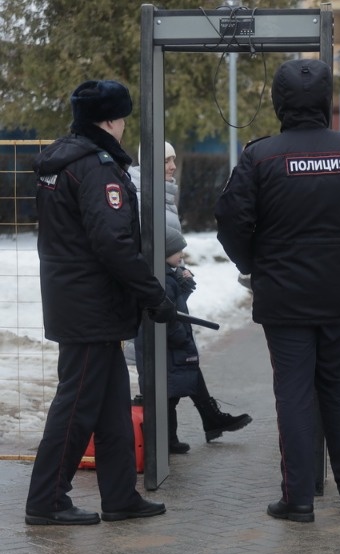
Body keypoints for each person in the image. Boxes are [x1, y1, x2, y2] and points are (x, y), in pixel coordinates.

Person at [216, 58, 340, 522]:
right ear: (326, 101)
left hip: (284, 298)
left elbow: (231, 223)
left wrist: (256, 267)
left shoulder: (260, 155)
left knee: (293, 394)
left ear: (278, 102)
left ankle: (297, 498)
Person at [25, 79, 171, 525]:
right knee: (76, 404)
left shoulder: (65, 159)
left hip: (80, 300)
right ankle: (47, 499)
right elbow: (111, 241)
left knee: (110, 404)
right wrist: (152, 294)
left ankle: (120, 495)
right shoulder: (94, 167)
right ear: (109, 120)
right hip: (90, 305)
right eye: (123, 118)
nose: (125, 126)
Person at [130, 141, 252, 451]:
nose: (172, 166)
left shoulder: (163, 193)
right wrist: (168, 276)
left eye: (173, 159)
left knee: (180, 359)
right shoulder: (145, 195)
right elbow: (147, 245)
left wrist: (177, 273)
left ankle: (204, 420)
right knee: (173, 363)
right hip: (157, 291)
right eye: (166, 161)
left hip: (169, 284)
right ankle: (180, 430)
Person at [134, 227, 252, 453]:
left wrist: (183, 284)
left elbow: (176, 303)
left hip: (171, 348)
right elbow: (166, 315)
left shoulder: (168, 275)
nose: (182, 255)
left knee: (177, 388)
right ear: (163, 253)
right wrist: (181, 336)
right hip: (168, 347)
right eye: (177, 251)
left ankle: (201, 424)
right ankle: (169, 439)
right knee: (168, 396)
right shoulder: (161, 279)